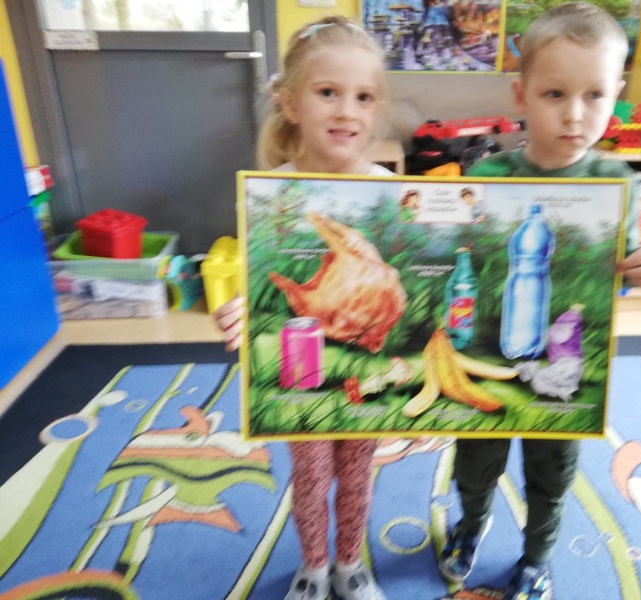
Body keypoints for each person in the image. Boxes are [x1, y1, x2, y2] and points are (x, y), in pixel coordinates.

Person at [436, 4, 641, 599]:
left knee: (552, 472)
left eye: (594, 95)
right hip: (493, 352)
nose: (574, 114)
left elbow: (630, 264)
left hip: (570, 363)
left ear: (616, 95)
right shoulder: (489, 174)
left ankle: (537, 558)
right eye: (554, 94)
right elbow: (455, 257)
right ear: (521, 96)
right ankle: (471, 526)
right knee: (475, 461)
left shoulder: (618, 181)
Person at [214, 16, 392, 600]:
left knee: (358, 470)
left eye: (363, 97)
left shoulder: (389, 190)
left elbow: (402, 278)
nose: (347, 111)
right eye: (328, 92)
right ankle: (314, 566)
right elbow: (256, 285)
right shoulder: (272, 195)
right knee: (311, 472)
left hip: (365, 358)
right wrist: (236, 312)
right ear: (291, 104)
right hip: (301, 361)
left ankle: (350, 563)